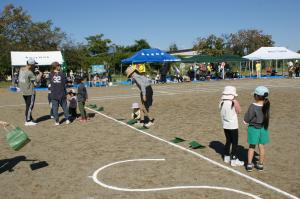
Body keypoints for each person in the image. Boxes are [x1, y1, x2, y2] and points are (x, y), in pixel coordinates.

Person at [244, 86, 270, 172]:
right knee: (261, 146)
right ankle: (260, 164)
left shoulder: (253, 106)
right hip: (263, 128)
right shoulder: (267, 104)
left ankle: (249, 164)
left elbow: (248, 116)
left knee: (251, 146)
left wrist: (245, 121)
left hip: (253, 128)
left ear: (257, 96)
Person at [219, 86, 244, 166]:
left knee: (228, 140)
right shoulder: (234, 102)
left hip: (225, 125)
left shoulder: (221, 102)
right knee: (235, 142)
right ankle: (234, 159)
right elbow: (239, 111)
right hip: (233, 125)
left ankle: (226, 156)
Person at [18, 58, 42, 126]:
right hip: (30, 92)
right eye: (34, 64)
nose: (35, 65)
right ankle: (28, 121)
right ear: (31, 65)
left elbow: (27, 79)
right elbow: (36, 80)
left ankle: (30, 118)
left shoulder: (21, 69)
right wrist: (40, 74)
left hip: (23, 91)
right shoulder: (29, 72)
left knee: (28, 106)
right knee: (30, 106)